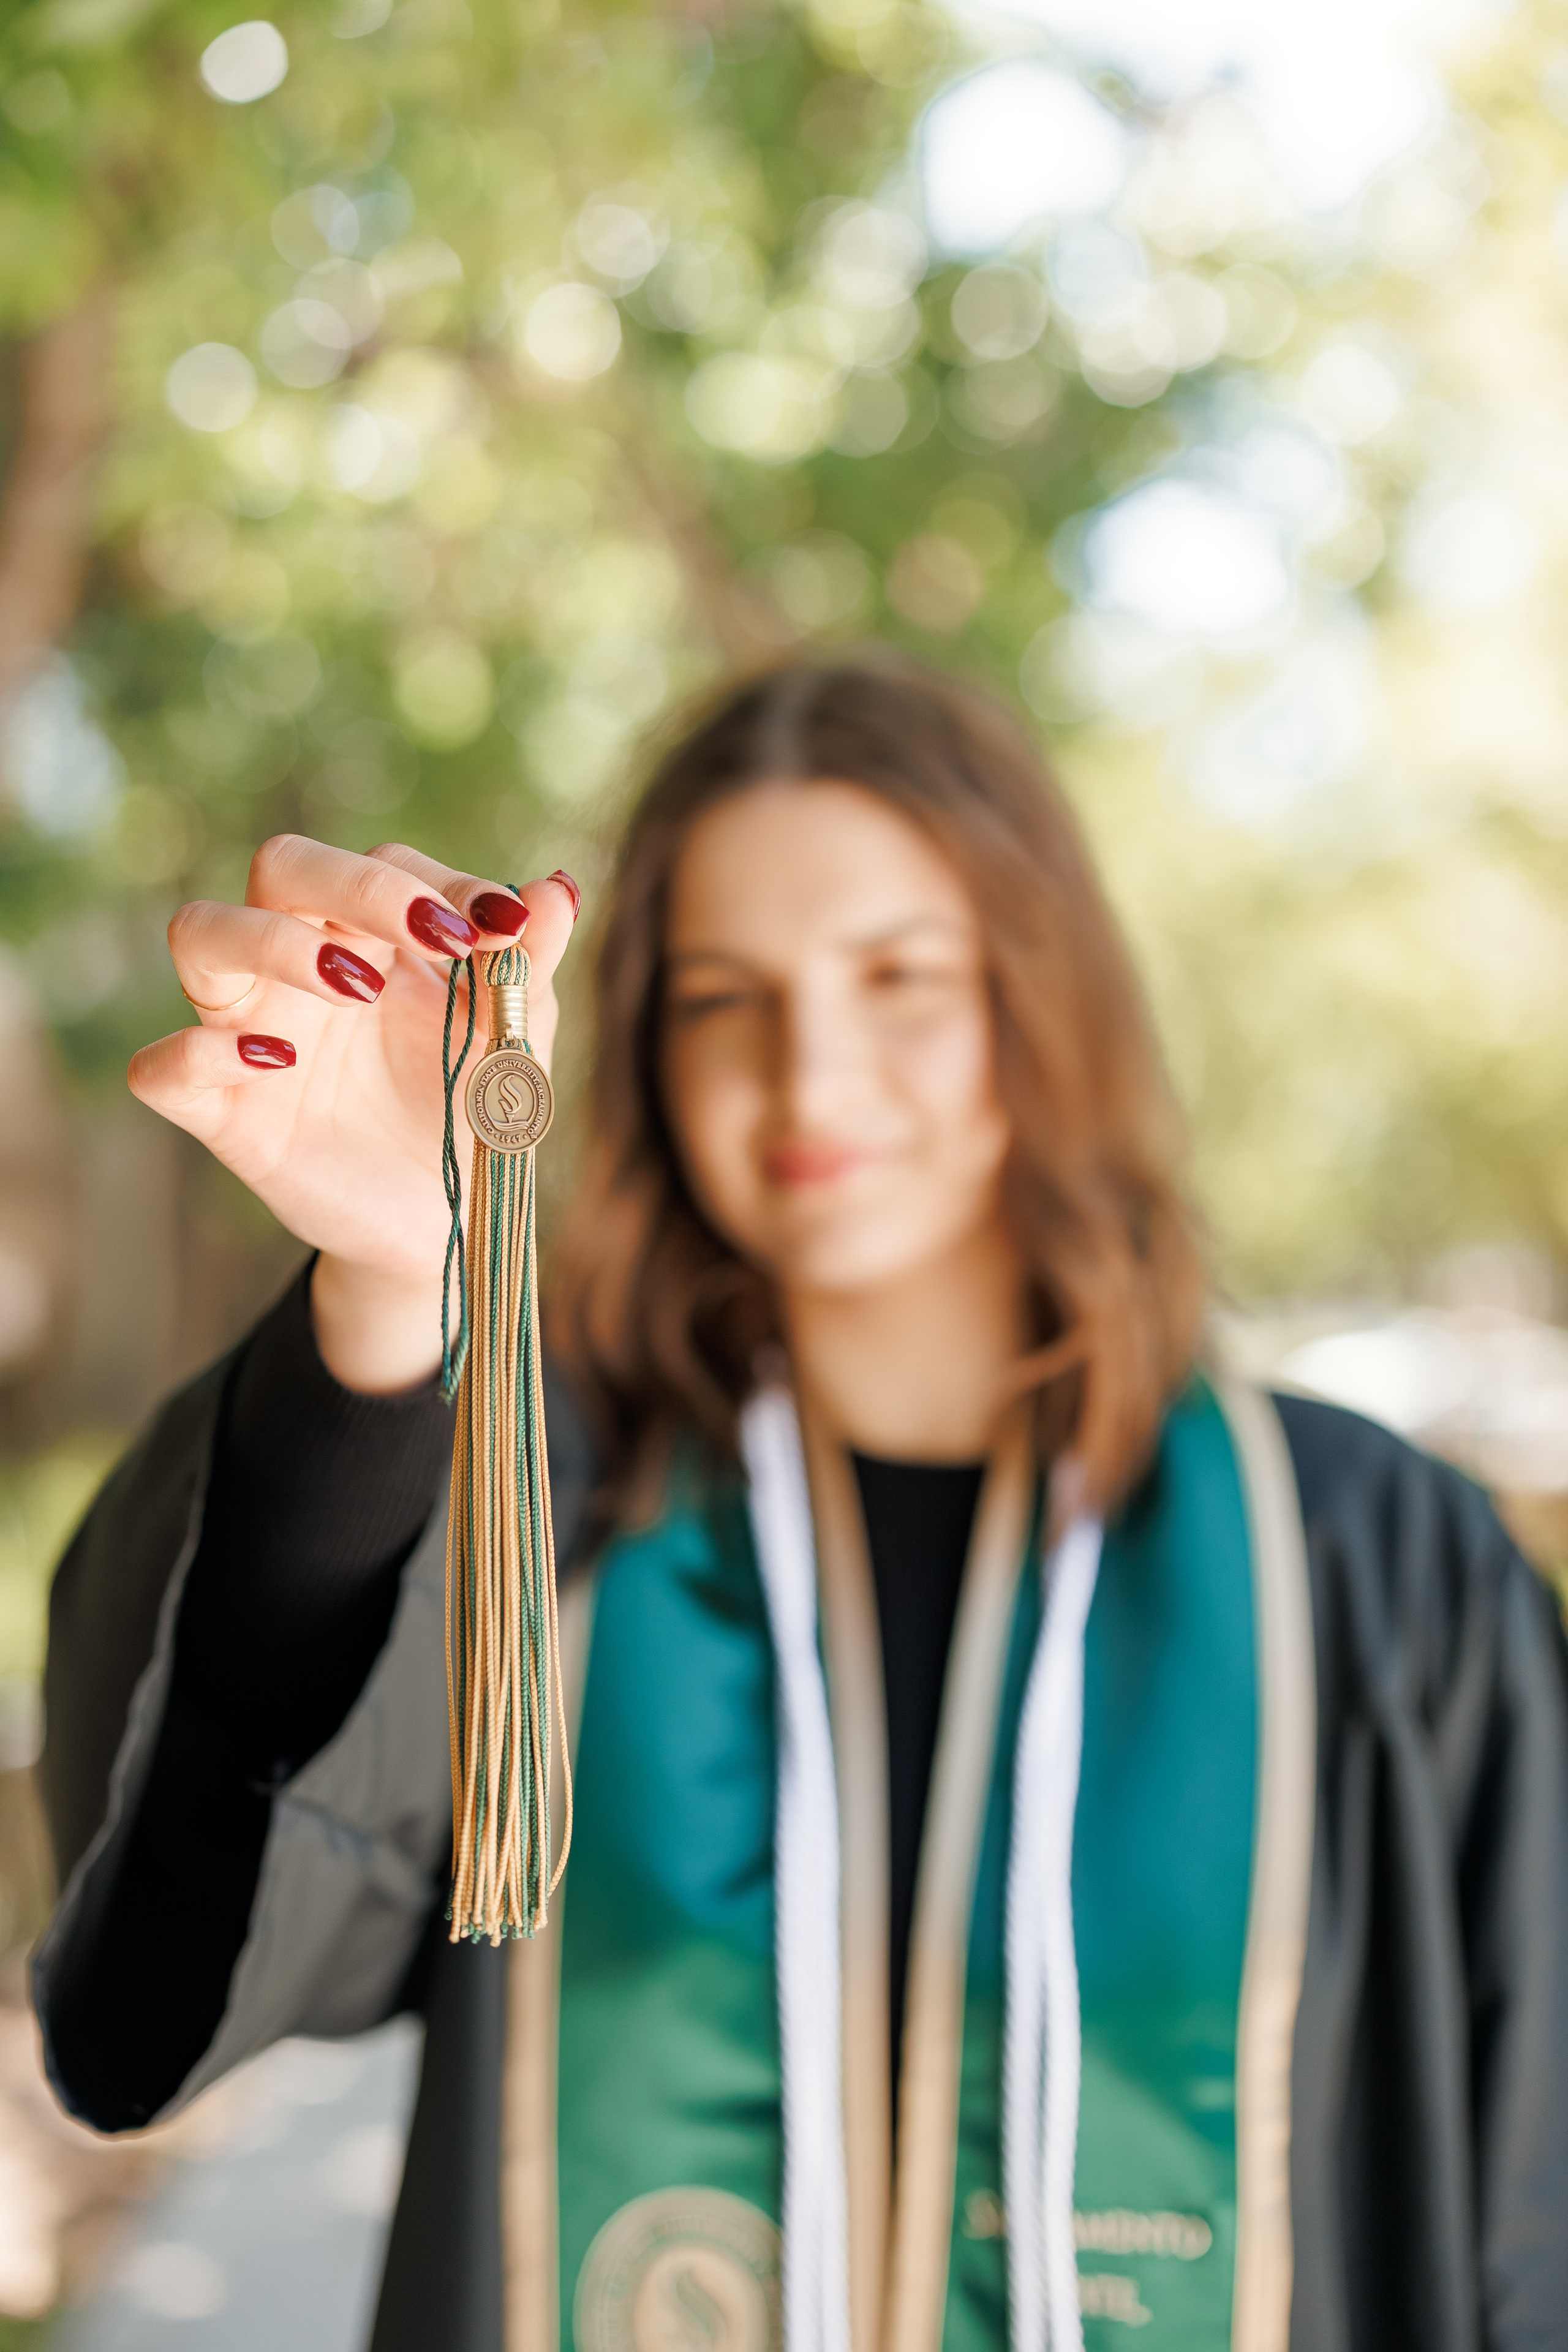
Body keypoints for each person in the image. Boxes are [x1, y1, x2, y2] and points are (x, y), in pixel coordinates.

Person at [31, 655, 1568, 2352]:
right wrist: (401, 1288)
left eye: (900, 975)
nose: (811, 1070)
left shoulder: (1370, 1568)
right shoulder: (551, 1528)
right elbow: (179, 1962)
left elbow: (1532, 2211)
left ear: (1035, 997)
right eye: (720, 997)